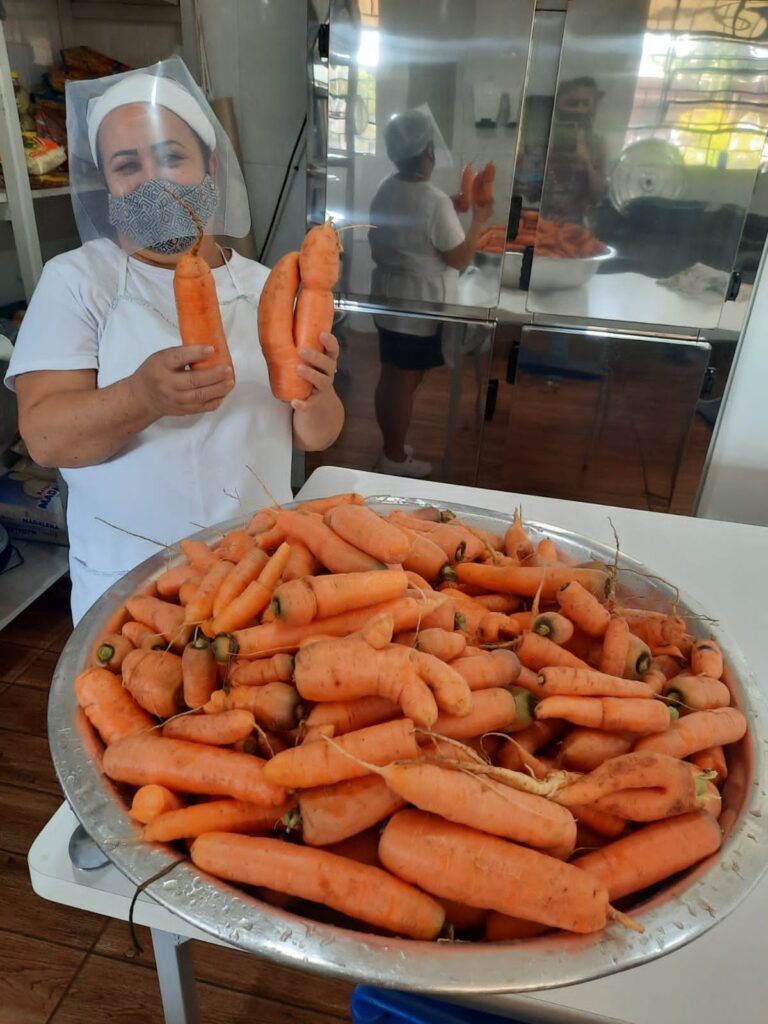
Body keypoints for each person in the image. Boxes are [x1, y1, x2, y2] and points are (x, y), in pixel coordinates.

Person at [5, 59, 343, 624]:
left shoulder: (269, 287)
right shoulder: (78, 282)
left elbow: (318, 432)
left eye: (170, 156)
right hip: (131, 593)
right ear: (106, 183)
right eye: (126, 164)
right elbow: (44, 439)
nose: (152, 179)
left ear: (210, 164)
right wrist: (141, 397)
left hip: (258, 576)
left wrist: (318, 394)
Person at [368, 108, 492, 478]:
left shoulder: (387, 187)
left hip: (390, 299)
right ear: (428, 154)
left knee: (391, 377)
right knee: (405, 384)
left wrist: (451, 207)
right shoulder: (434, 200)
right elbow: (459, 258)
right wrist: (479, 220)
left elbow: (413, 222)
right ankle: (393, 457)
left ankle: (391, 444)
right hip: (418, 304)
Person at [541, 77, 607, 225]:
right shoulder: (543, 138)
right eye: (572, 104)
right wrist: (545, 159)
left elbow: (597, 196)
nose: (579, 109)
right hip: (540, 223)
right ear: (557, 106)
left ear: (592, 108)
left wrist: (587, 162)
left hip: (576, 228)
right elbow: (529, 192)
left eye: (585, 104)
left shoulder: (598, 144)